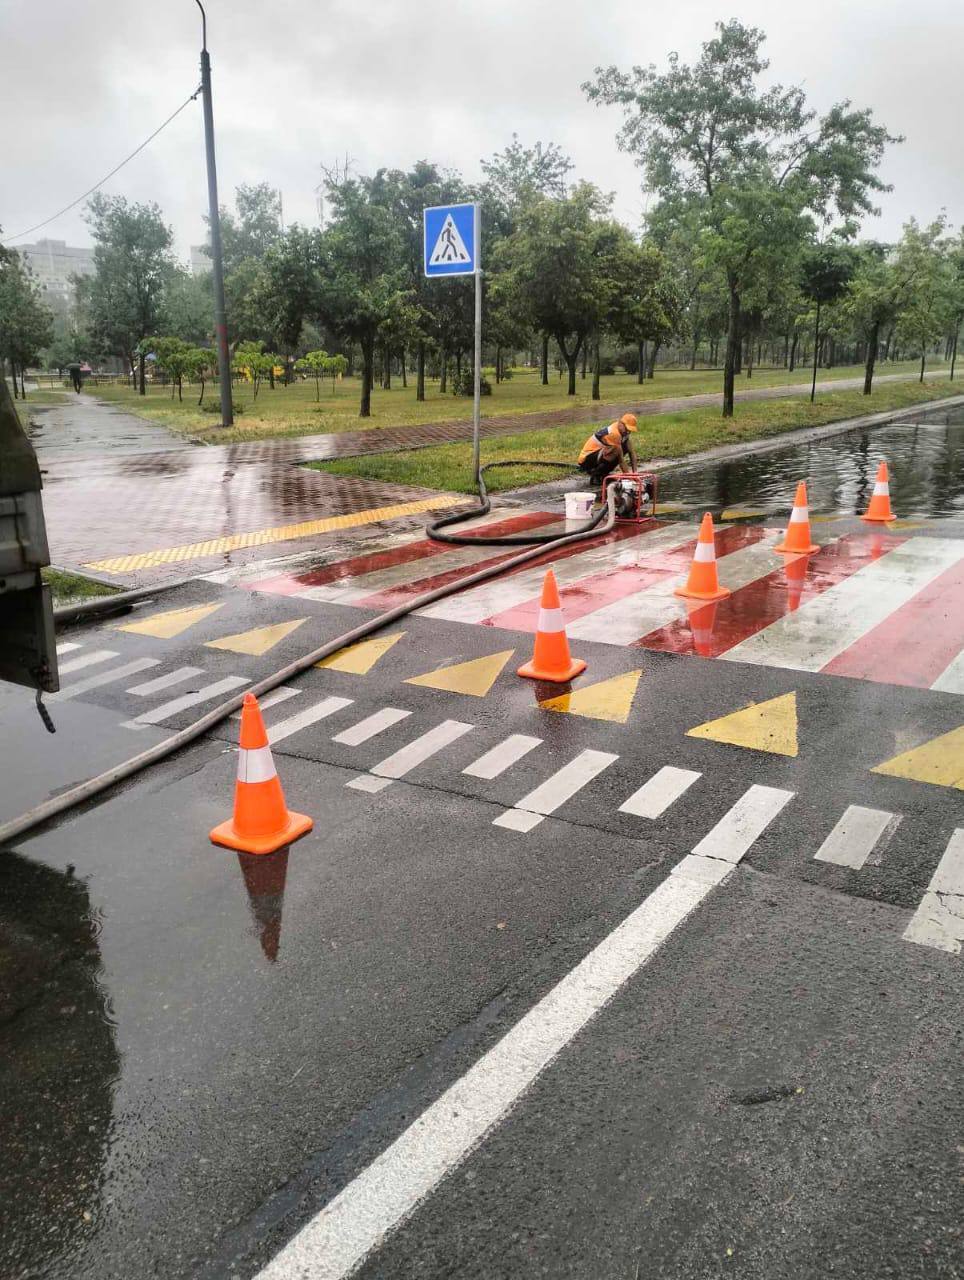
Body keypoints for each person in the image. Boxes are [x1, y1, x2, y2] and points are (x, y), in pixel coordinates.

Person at [577, 412, 639, 492]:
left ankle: (603, 474)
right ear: (620, 423)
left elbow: (632, 452)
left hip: (597, 456)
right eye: (627, 429)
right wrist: (630, 480)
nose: (628, 432)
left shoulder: (623, 433)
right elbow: (621, 461)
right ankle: (596, 476)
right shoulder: (614, 433)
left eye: (630, 430)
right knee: (617, 450)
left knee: (624, 448)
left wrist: (635, 473)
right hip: (587, 460)